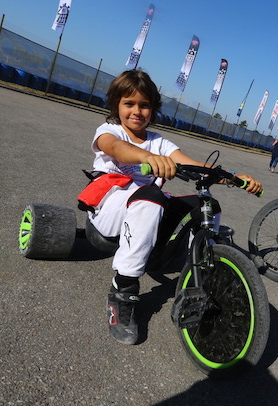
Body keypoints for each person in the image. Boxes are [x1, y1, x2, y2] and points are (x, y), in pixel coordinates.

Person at [79, 70, 262, 344]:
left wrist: (232, 178)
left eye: (144, 105)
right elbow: (116, 149)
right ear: (116, 105)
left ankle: (199, 273)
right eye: (129, 104)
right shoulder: (109, 131)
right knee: (151, 196)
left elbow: (192, 164)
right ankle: (123, 288)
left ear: (153, 109)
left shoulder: (159, 142)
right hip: (108, 213)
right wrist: (147, 157)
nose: (137, 111)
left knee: (206, 206)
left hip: (143, 209)